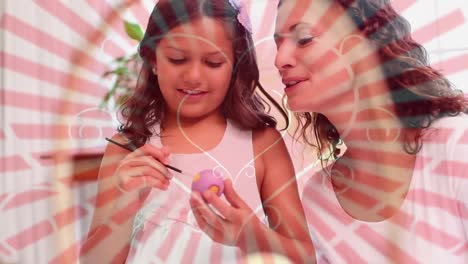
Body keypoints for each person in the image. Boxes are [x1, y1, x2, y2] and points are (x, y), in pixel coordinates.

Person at [80, 0, 314, 263]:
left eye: (213, 63)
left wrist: (252, 235)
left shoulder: (262, 143)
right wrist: (123, 208)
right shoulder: (127, 148)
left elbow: (305, 257)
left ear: (236, 64)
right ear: (153, 60)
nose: (193, 76)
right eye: (178, 59)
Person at [274, 0, 468, 263]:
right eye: (278, 43)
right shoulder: (318, 198)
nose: (280, 59)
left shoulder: (457, 146)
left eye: (304, 39)